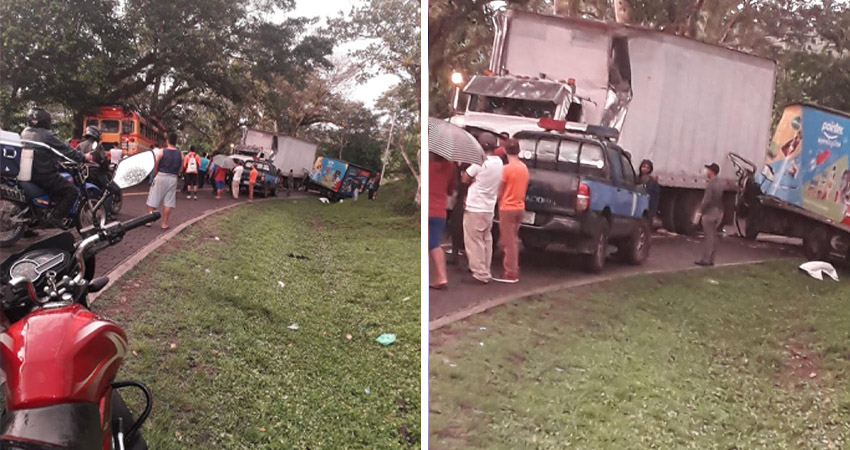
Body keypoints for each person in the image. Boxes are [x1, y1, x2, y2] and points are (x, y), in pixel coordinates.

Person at [20, 107, 90, 228]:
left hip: (26, 172)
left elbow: (44, 152)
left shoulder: (25, 132)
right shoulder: (47, 135)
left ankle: (29, 226)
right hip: (43, 174)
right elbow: (65, 150)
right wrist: (83, 157)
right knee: (72, 191)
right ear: (45, 121)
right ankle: (55, 217)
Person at [462, 132, 504, 284]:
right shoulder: (498, 162)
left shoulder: (480, 162)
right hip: (488, 207)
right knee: (486, 239)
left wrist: (473, 178)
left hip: (475, 206)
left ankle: (480, 273)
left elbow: (465, 178)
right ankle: (485, 269)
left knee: (474, 241)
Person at [494, 139, 528, 283]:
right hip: (519, 206)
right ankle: (512, 268)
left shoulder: (506, 169)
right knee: (512, 238)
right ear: (519, 151)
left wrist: (495, 201)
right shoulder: (524, 168)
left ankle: (510, 272)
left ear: (505, 151)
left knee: (509, 242)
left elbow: (500, 191)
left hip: (507, 207)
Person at [429, 153, 458, 289]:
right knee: (434, 242)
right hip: (440, 210)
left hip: (427, 208)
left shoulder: (427, 165)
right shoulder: (450, 166)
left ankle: (441, 277)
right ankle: (440, 277)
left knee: (433, 244)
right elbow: (451, 190)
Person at [76, 125, 116, 219]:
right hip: (96, 173)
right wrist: (106, 167)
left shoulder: (79, 145)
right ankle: (108, 214)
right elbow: (104, 159)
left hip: (82, 173)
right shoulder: (98, 146)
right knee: (109, 190)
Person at [145, 132, 183, 230]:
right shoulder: (180, 154)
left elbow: (155, 165)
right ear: (176, 142)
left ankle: (149, 221)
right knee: (168, 202)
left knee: (153, 198)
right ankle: (164, 224)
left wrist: (156, 173)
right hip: (173, 178)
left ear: (167, 141)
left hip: (161, 176)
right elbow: (181, 169)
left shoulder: (161, 151)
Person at [695, 163, 724, 266]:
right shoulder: (720, 183)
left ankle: (705, 259)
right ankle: (712, 259)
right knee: (714, 236)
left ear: (711, 172)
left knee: (708, 236)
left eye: (708, 170)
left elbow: (707, 200)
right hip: (718, 212)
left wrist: (700, 211)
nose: (706, 172)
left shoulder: (711, 183)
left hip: (710, 213)